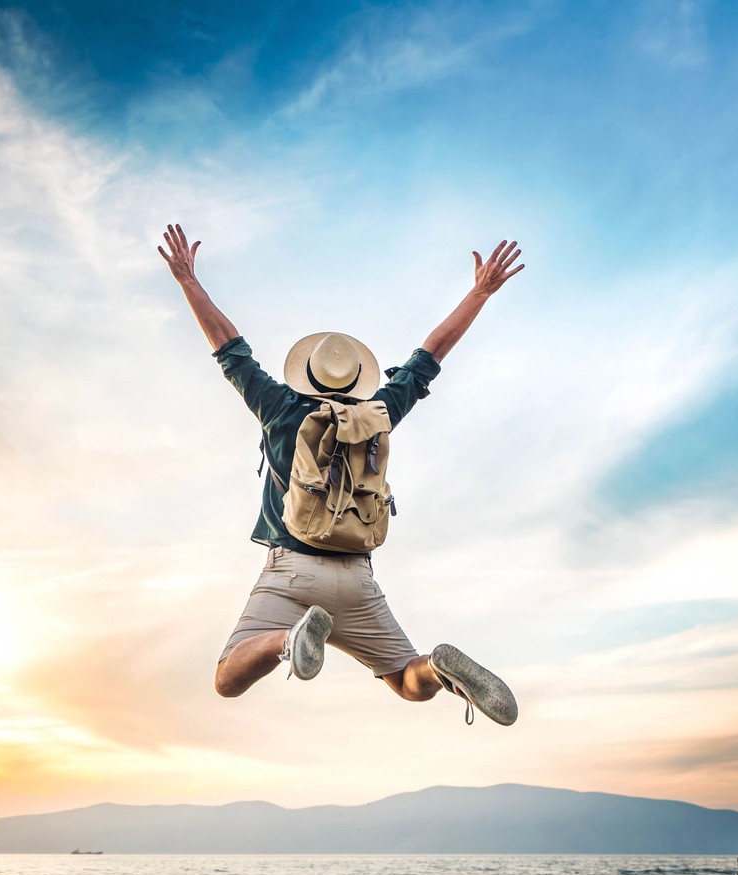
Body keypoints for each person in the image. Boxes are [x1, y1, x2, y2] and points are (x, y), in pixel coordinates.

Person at [158, 223, 523, 724]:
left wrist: (187, 280)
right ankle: (440, 671)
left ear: (305, 372)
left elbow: (231, 351)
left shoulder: (281, 408)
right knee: (409, 684)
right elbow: (429, 357)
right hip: (358, 577)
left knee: (226, 678)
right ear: (358, 381)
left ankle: (288, 641)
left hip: (291, 574)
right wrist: (479, 292)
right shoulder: (381, 410)